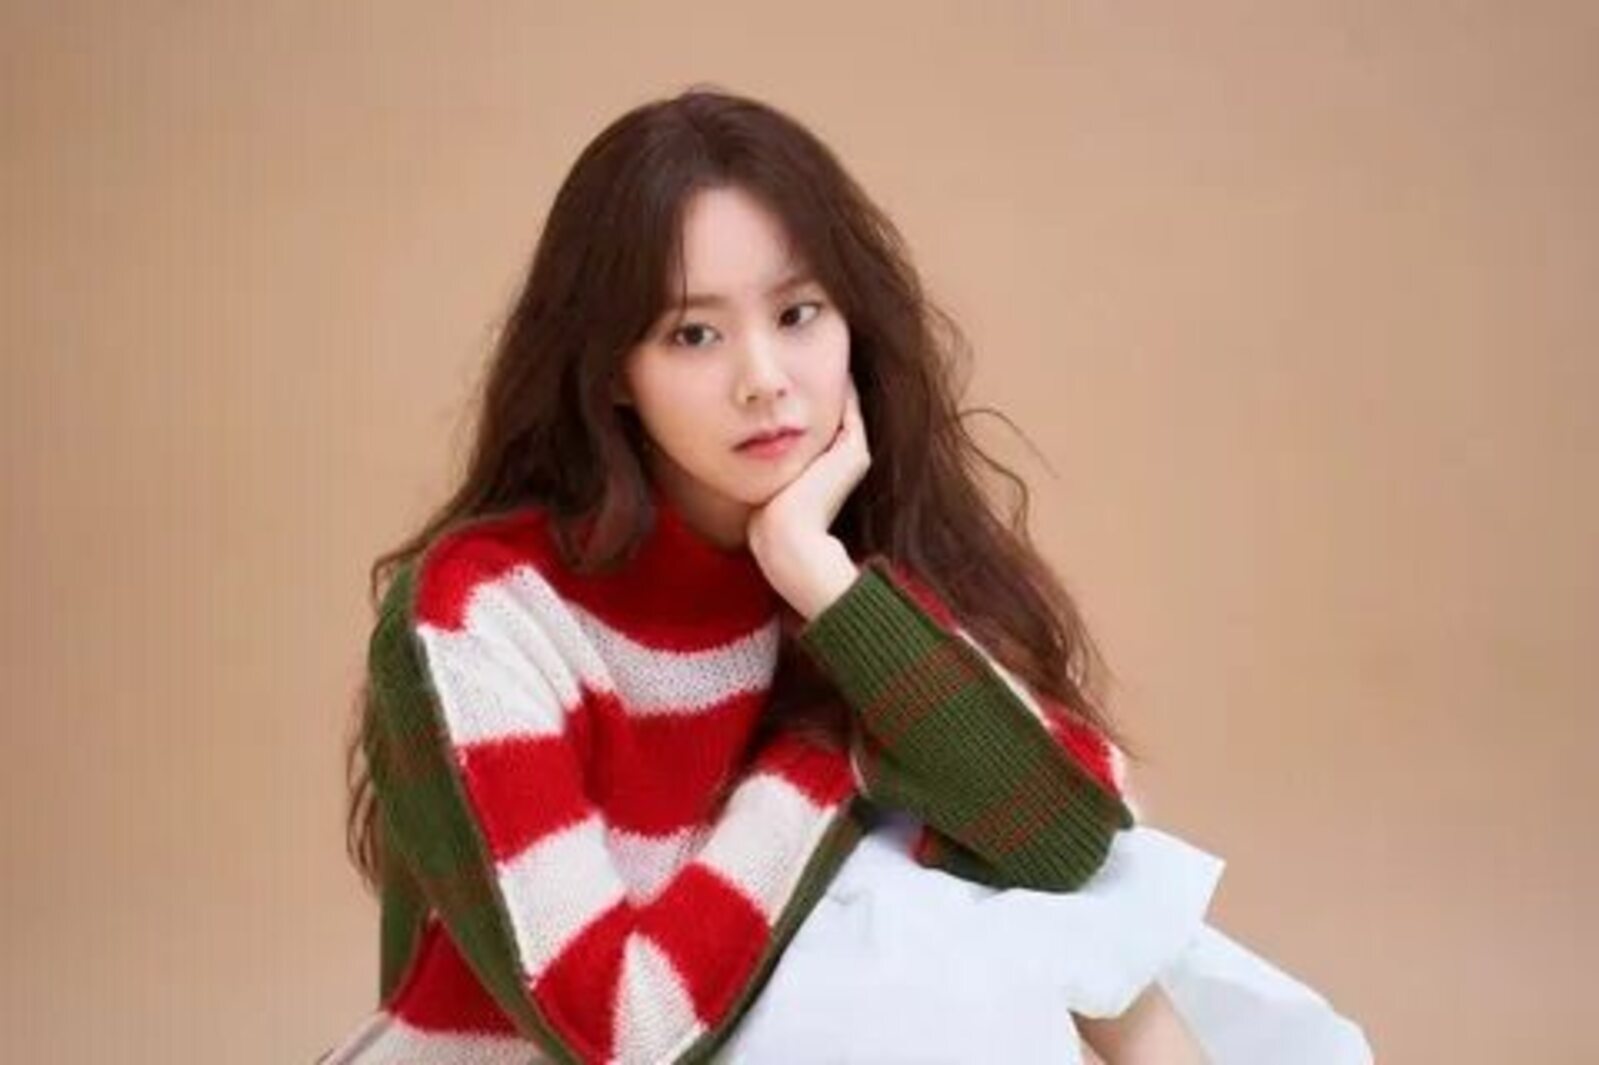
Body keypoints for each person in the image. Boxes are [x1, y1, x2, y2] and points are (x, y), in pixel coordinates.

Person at [320, 87, 1372, 1064]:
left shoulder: (844, 576)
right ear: (613, 373)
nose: (764, 380)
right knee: (902, 868)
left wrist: (822, 581)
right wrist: (829, 760)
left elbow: (1070, 841)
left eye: (797, 314)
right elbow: (621, 1032)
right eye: (694, 334)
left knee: (1003, 887)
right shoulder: (482, 613)